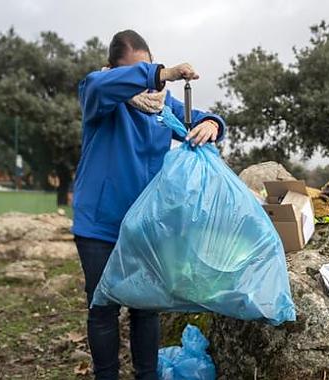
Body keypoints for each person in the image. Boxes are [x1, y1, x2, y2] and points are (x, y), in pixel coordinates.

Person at [72, 29, 226, 380]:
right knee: (103, 308)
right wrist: (163, 73)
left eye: (148, 71)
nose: (144, 85)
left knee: (146, 308)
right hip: (100, 225)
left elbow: (202, 117)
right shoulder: (97, 93)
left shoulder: (162, 106)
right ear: (113, 69)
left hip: (145, 226)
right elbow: (102, 86)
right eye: (133, 73)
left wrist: (211, 125)